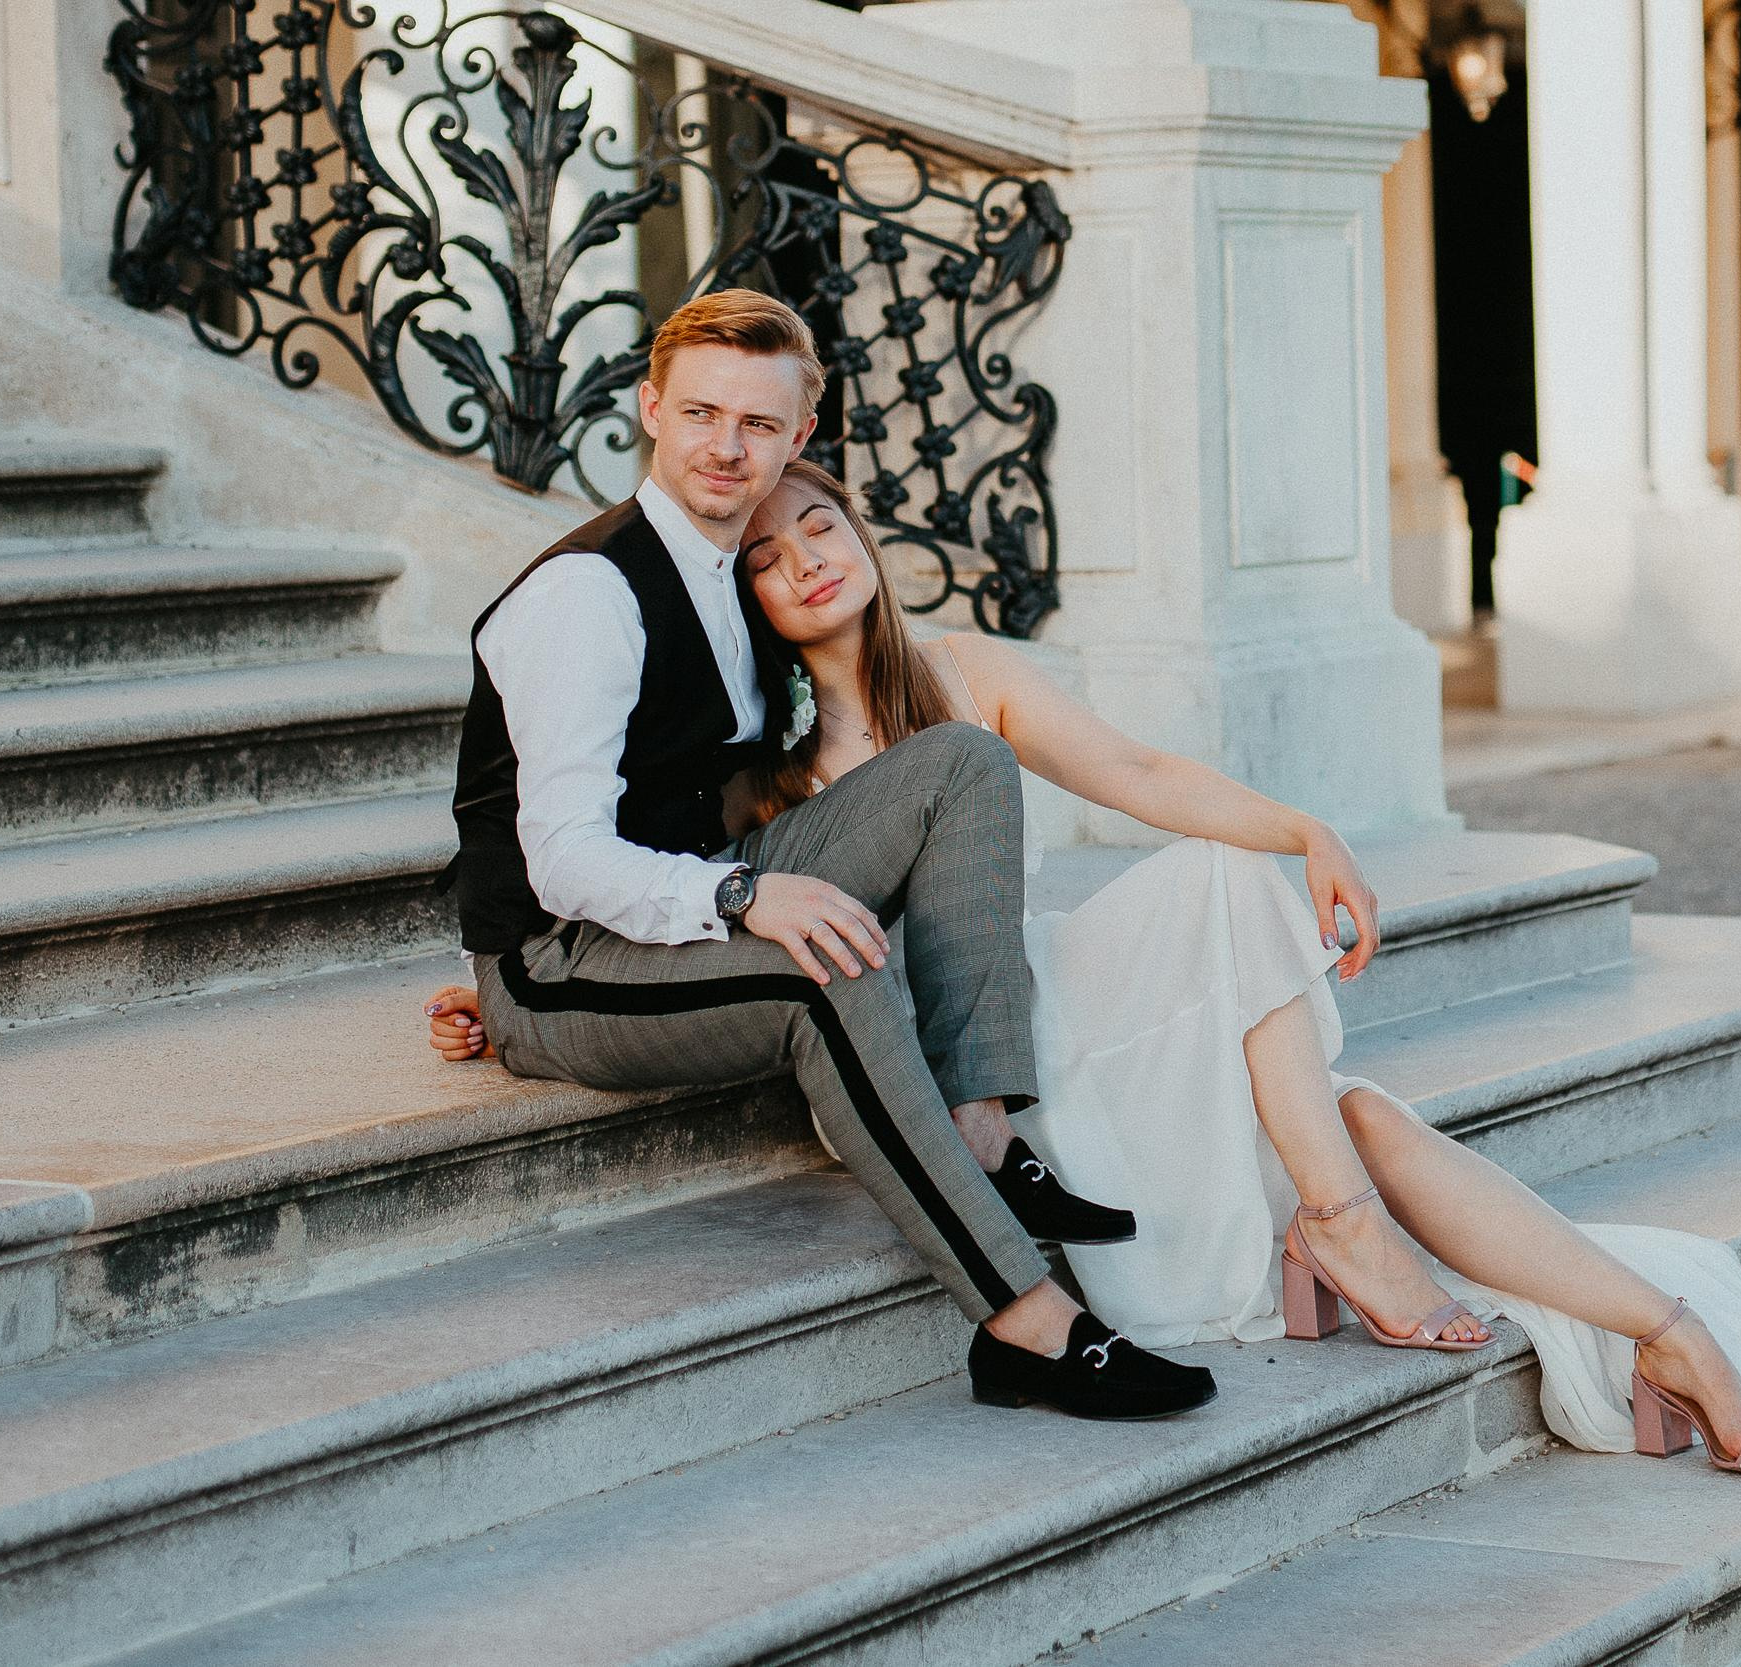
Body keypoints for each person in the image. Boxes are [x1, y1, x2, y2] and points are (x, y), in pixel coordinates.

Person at [432, 444, 1741, 1578]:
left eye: (824, 526)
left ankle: (1633, 1319)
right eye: (770, 554)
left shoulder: (957, 679)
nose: (802, 557)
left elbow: (1141, 772)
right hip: (998, 1094)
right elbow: (644, 892)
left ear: (866, 547)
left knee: (1232, 904)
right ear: (738, 605)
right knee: (1359, 1109)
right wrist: (504, 992)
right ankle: (1425, 1247)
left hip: (1055, 1007)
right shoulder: (755, 771)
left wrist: (1308, 829)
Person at [436, 288, 1212, 1423]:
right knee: (824, 961)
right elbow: (557, 856)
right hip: (561, 961)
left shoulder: (729, 574)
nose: (726, 447)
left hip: (661, 918)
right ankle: (1029, 1325)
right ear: (650, 410)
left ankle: (979, 1127)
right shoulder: (589, 593)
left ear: (798, 437)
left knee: (960, 758)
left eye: (758, 425)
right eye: (701, 414)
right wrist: (741, 893)